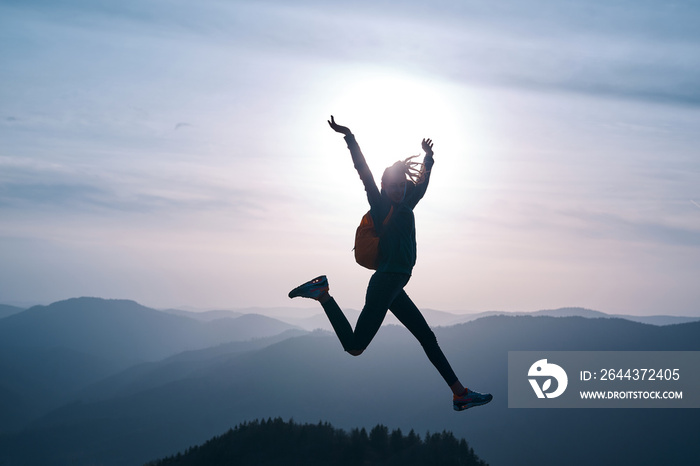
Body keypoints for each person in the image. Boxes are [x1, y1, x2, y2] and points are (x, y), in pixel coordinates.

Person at [288, 116, 492, 411]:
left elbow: (422, 183)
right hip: (385, 284)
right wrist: (350, 137)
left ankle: (460, 394)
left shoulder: (407, 204)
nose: (397, 189)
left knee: (427, 337)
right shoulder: (381, 205)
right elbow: (364, 172)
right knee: (355, 347)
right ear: (384, 187)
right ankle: (323, 294)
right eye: (392, 186)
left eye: (400, 186)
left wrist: (429, 158)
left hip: (396, 286)